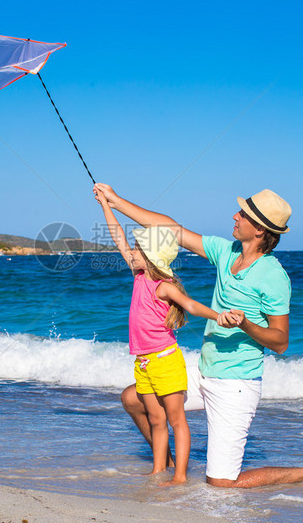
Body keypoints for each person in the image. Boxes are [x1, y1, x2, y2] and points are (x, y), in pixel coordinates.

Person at [93, 183, 303, 488]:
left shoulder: (273, 276)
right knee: (132, 399)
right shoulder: (225, 251)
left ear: (259, 231)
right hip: (204, 371)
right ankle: (167, 463)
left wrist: (246, 325)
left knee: (221, 483)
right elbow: (172, 230)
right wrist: (114, 201)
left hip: (235, 384)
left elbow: (281, 342)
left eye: (243, 215)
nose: (235, 216)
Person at [95, 187, 224, 486]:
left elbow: (190, 305)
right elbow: (118, 237)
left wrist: (219, 317)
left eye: (138, 250)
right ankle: (158, 470)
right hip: (143, 363)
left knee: (176, 420)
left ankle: (179, 475)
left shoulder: (163, 287)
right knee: (156, 420)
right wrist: (106, 205)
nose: (132, 252)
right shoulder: (139, 276)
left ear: (151, 258)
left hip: (166, 361)